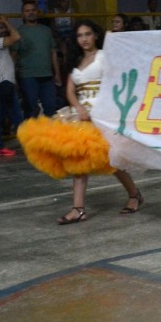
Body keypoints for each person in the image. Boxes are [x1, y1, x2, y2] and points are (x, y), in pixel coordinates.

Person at [18, 20, 143, 224]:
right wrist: (79, 108)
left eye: (87, 34)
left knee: (113, 161)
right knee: (79, 161)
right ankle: (79, 208)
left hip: (103, 115)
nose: (83, 39)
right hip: (81, 116)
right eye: (79, 36)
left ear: (95, 36)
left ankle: (134, 194)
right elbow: (69, 90)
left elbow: (116, 82)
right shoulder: (76, 61)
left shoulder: (104, 57)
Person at [0, 14, 24, 157]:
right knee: (14, 115)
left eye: (2, 28)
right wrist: (6, 22)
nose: (0, 30)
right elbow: (17, 37)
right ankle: (1, 146)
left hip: (3, 83)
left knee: (2, 116)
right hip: (2, 83)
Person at [17, 1, 60, 118]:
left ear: (37, 12)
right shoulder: (18, 32)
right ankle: (30, 135)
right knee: (31, 108)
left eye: (33, 10)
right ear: (22, 14)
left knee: (51, 107)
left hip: (47, 74)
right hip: (28, 75)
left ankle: (48, 135)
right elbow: (13, 54)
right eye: (27, 11)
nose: (31, 13)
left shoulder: (46, 30)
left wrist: (57, 73)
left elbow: (53, 53)